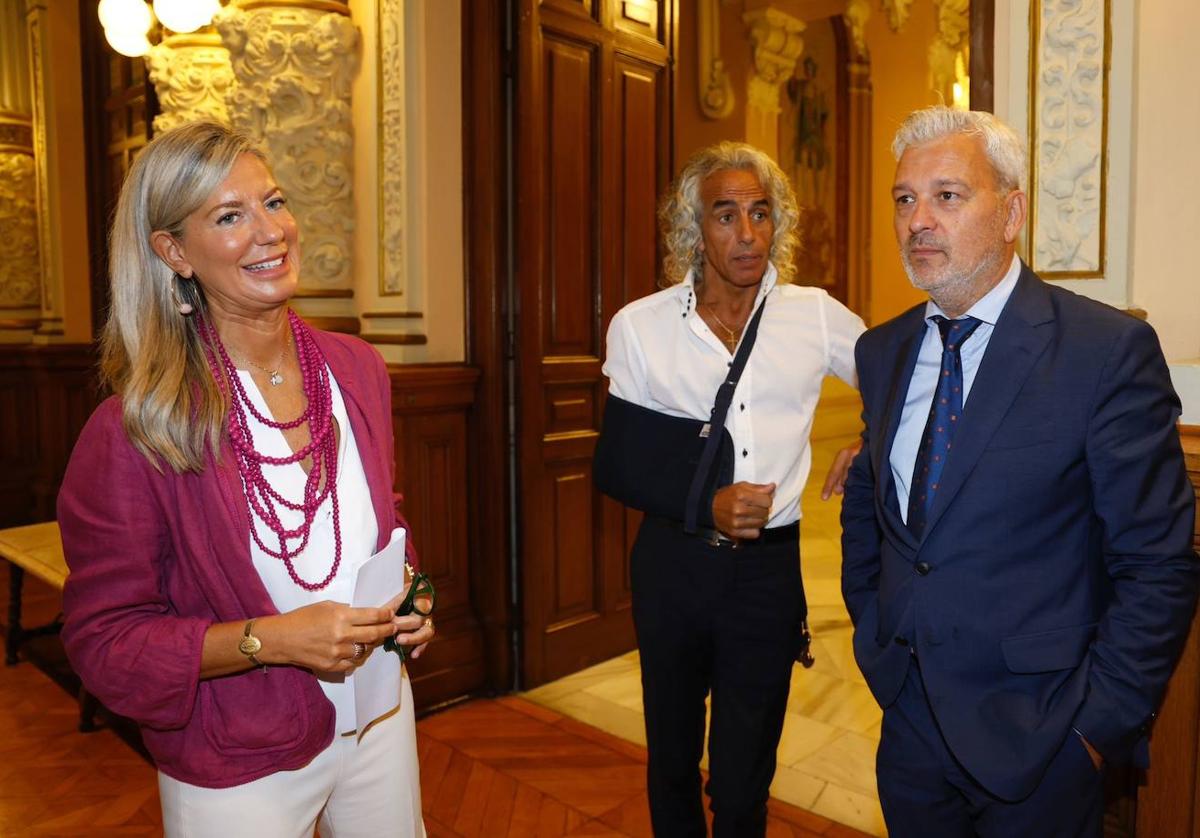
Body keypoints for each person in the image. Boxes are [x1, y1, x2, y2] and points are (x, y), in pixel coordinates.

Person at [57, 121, 435, 837]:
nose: (271, 232)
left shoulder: (356, 369)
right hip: (237, 747)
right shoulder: (135, 426)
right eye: (229, 216)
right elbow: (105, 641)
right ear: (173, 251)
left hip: (381, 710)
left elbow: (377, 520)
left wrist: (411, 595)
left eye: (274, 201)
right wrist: (272, 640)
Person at [841, 106, 1198, 837]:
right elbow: (871, 515)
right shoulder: (881, 352)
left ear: (1011, 214)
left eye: (947, 195)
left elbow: (1158, 565)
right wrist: (877, 640)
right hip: (908, 725)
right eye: (905, 198)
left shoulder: (1105, 351)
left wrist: (1094, 733)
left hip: (1043, 744)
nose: (918, 221)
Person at [602, 142, 865, 836]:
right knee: (672, 757)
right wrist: (704, 503)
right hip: (673, 565)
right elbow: (620, 464)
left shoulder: (813, 314)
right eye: (726, 215)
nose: (747, 234)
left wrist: (869, 440)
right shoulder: (640, 325)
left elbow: (900, 374)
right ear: (695, 226)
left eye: (760, 213)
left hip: (766, 575)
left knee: (747, 775)